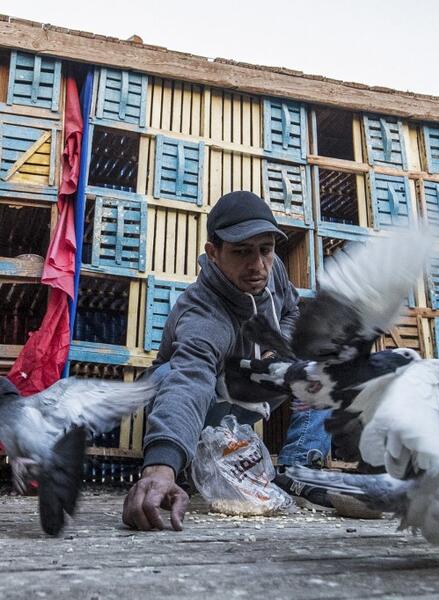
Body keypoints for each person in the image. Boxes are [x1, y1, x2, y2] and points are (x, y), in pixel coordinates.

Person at [122, 191, 331, 531]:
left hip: (244, 392)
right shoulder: (203, 313)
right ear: (213, 253)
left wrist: (279, 350)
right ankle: (183, 466)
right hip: (199, 400)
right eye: (241, 252)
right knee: (168, 374)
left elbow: (293, 309)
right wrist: (161, 466)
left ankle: (298, 471)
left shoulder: (272, 269)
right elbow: (190, 380)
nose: (257, 264)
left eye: (265, 249)